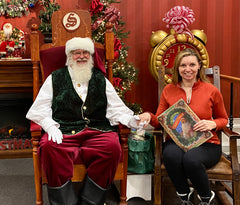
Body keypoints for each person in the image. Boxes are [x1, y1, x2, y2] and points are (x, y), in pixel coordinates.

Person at [26, 37, 142, 205]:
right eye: (76, 53)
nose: (81, 56)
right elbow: (39, 108)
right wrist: (50, 126)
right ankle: (65, 202)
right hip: (64, 130)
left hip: (97, 130)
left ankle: (90, 200)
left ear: (91, 56)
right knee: (50, 146)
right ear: (69, 56)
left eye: (85, 53)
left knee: (112, 147)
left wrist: (131, 120)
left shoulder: (100, 79)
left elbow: (115, 108)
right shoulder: (55, 78)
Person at [139, 48, 228, 205]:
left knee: (191, 160)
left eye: (192, 65)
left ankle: (207, 198)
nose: (188, 69)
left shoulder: (211, 90)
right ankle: (184, 196)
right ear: (177, 69)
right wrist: (148, 116)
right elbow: (160, 120)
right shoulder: (169, 90)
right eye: (183, 65)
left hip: (207, 143)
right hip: (177, 141)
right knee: (171, 156)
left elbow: (224, 119)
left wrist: (213, 123)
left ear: (199, 66)